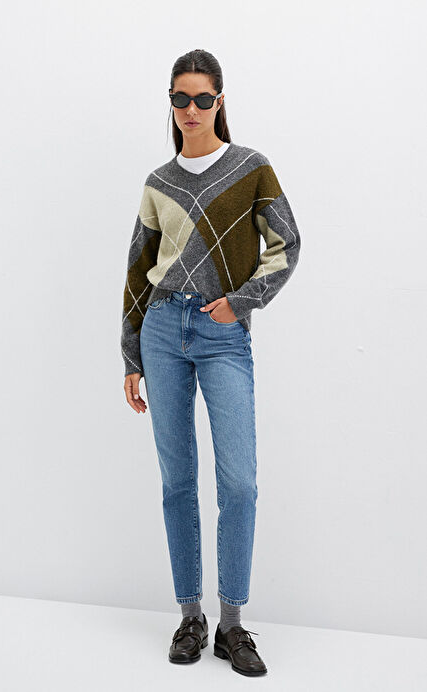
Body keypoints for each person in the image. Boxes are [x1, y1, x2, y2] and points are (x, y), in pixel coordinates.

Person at [120, 48, 301, 677]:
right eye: (181, 99)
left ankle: (232, 624)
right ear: (170, 104)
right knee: (177, 482)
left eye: (202, 98)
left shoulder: (251, 168)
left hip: (223, 333)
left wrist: (240, 303)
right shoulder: (158, 182)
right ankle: (190, 617)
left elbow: (287, 245)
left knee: (239, 482)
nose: (191, 110)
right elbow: (139, 270)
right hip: (162, 330)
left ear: (219, 101)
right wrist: (130, 353)